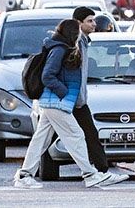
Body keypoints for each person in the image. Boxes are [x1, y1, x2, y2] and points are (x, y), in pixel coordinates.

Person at [13, 19, 124, 189]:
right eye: (78, 31)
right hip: (56, 101)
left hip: (55, 102)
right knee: (76, 135)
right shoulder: (59, 49)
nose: (80, 34)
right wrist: (64, 92)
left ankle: (24, 175)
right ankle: (90, 174)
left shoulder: (63, 48)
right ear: (72, 32)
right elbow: (47, 75)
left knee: (41, 139)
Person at [68, 7, 116, 178]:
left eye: (94, 20)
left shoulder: (83, 41)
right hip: (69, 100)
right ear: (79, 23)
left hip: (76, 100)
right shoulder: (74, 43)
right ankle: (99, 171)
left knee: (88, 135)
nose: (94, 24)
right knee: (85, 136)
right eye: (90, 21)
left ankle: (101, 171)